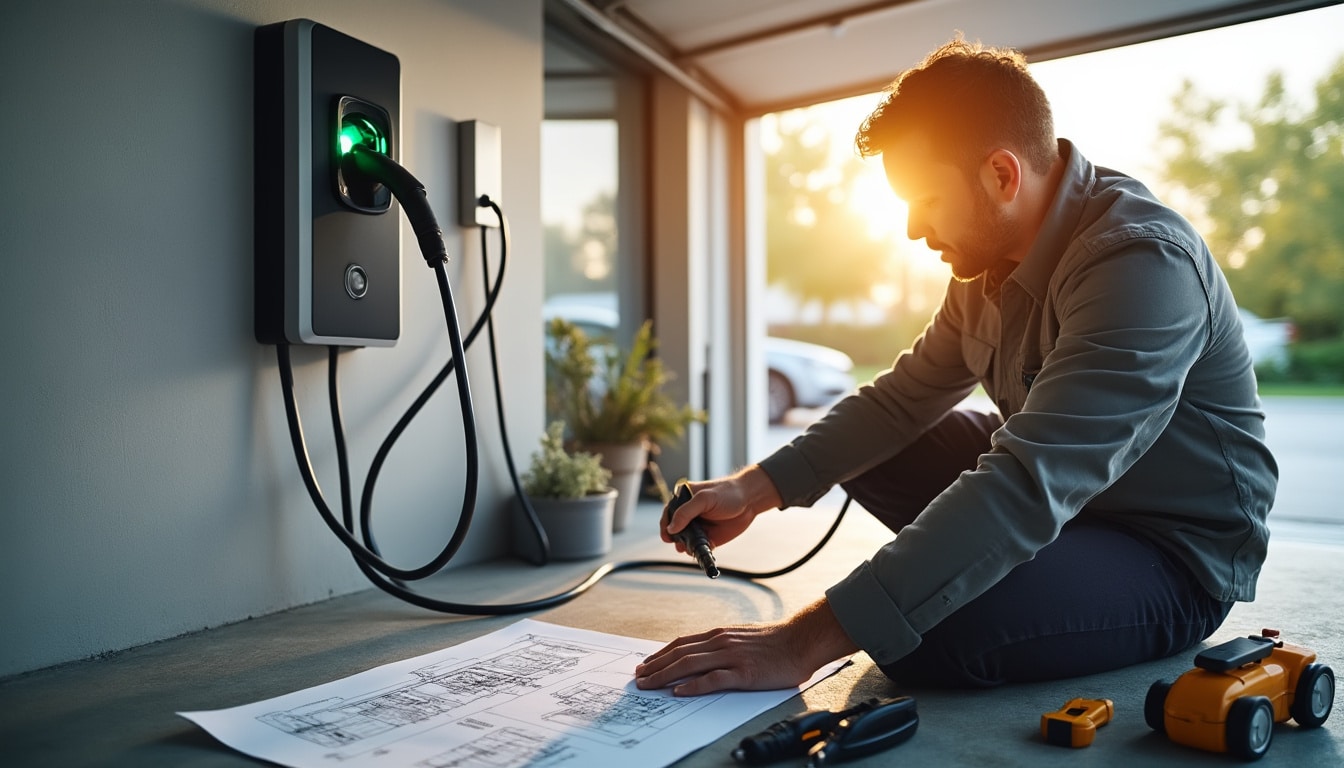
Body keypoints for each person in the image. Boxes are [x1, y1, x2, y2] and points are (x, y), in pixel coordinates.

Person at [633, 37, 1277, 696]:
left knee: (921, 636)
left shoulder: (1140, 263)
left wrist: (804, 642)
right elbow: (899, 402)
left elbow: (1031, 480)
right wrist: (753, 489)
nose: (913, 229)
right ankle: (980, 571)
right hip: (1065, 505)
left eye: (927, 201)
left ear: (1002, 175)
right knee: (882, 453)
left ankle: (985, 580)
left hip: (1168, 551)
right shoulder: (985, 259)